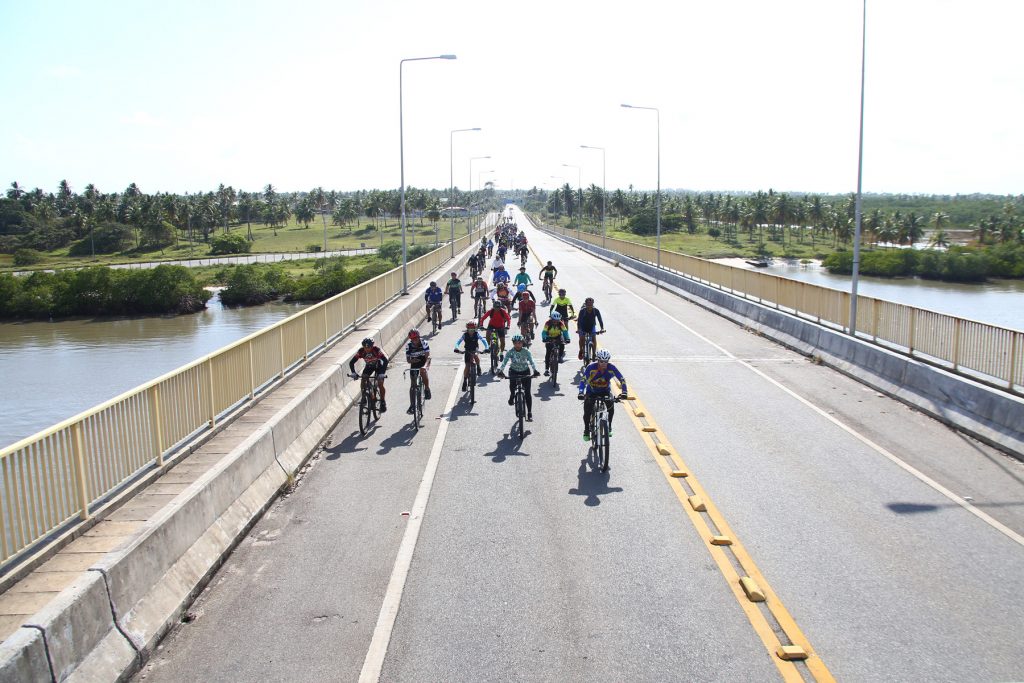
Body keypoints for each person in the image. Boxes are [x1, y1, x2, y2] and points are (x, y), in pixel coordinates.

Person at [578, 349, 628, 442]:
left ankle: (609, 427)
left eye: (606, 361)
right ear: (598, 360)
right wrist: (581, 392)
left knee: (611, 408)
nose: (604, 364)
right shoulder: (591, 367)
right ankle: (586, 430)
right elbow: (583, 380)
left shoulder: (611, 368)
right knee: (587, 412)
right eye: (601, 361)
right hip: (591, 392)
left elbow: (622, 379)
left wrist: (624, 392)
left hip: (605, 391)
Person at [496, 334, 540, 421]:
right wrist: (501, 371)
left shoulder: (526, 351)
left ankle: (529, 413)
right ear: (513, 343)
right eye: (515, 343)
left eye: (519, 343)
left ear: (522, 343)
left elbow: (532, 361)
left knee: (527, 393)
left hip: (525, 372)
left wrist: (535, 370)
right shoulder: (510, 352)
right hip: (514, 371)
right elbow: (504, 362)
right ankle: (512, 395)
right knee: (512, 386)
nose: (517, 345)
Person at [348, 337, 388, 413]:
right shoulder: (361, 351)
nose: (367, 349)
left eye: (369, 347)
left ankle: (383, 401)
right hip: (369, 366)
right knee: (363, 381)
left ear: (372, 346)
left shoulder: (376, 350)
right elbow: (351, 362)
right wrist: (353, 372)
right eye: (365, 347)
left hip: (378, 366)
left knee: (380, 383)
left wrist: (382, 373)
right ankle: (364, 398)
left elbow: (385, 361)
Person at [453, 320, 489, 391]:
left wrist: (486, 347)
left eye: (473, 329)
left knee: (476, 355)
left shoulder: (477, 334)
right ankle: (464, 381)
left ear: (475, 329)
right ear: (467, 329)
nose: (471, 331)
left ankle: (478, 367)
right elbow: (458, 341)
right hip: (467, 350)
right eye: (469, 329)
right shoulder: (465, 335)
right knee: (467, 366)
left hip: (475, 349)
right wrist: (456, 347)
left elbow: (483, 340)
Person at [405, 329, 431, 411]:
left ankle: (427, 388)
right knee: (413, 384)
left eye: (416, 338)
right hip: (414, 362)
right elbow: (408, 360)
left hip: (424, 360)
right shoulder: (408, 346)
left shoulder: (424, 343)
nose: (414, 340)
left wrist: (425, 366)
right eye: (412, 339)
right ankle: (412, 405)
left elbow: (428, 357)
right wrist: (412, 360)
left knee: (423, 371)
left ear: (419, 337)